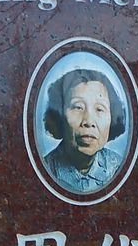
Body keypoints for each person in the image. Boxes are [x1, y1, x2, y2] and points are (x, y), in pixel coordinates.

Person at [41, 66, 129, 195]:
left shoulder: (118, 168)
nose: (88, 121)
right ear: (59, 116)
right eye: (78, 107)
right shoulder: (45, 170)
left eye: (99, 109)